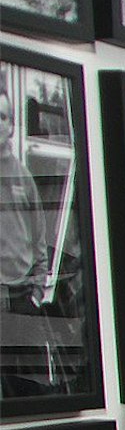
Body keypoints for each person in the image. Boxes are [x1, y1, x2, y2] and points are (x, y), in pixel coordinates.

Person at [0, 86, 52, 315]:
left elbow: (39, 240)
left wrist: (37, 294)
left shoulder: (24, 178)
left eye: (2, 117)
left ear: (11, 125)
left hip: (22, 297)